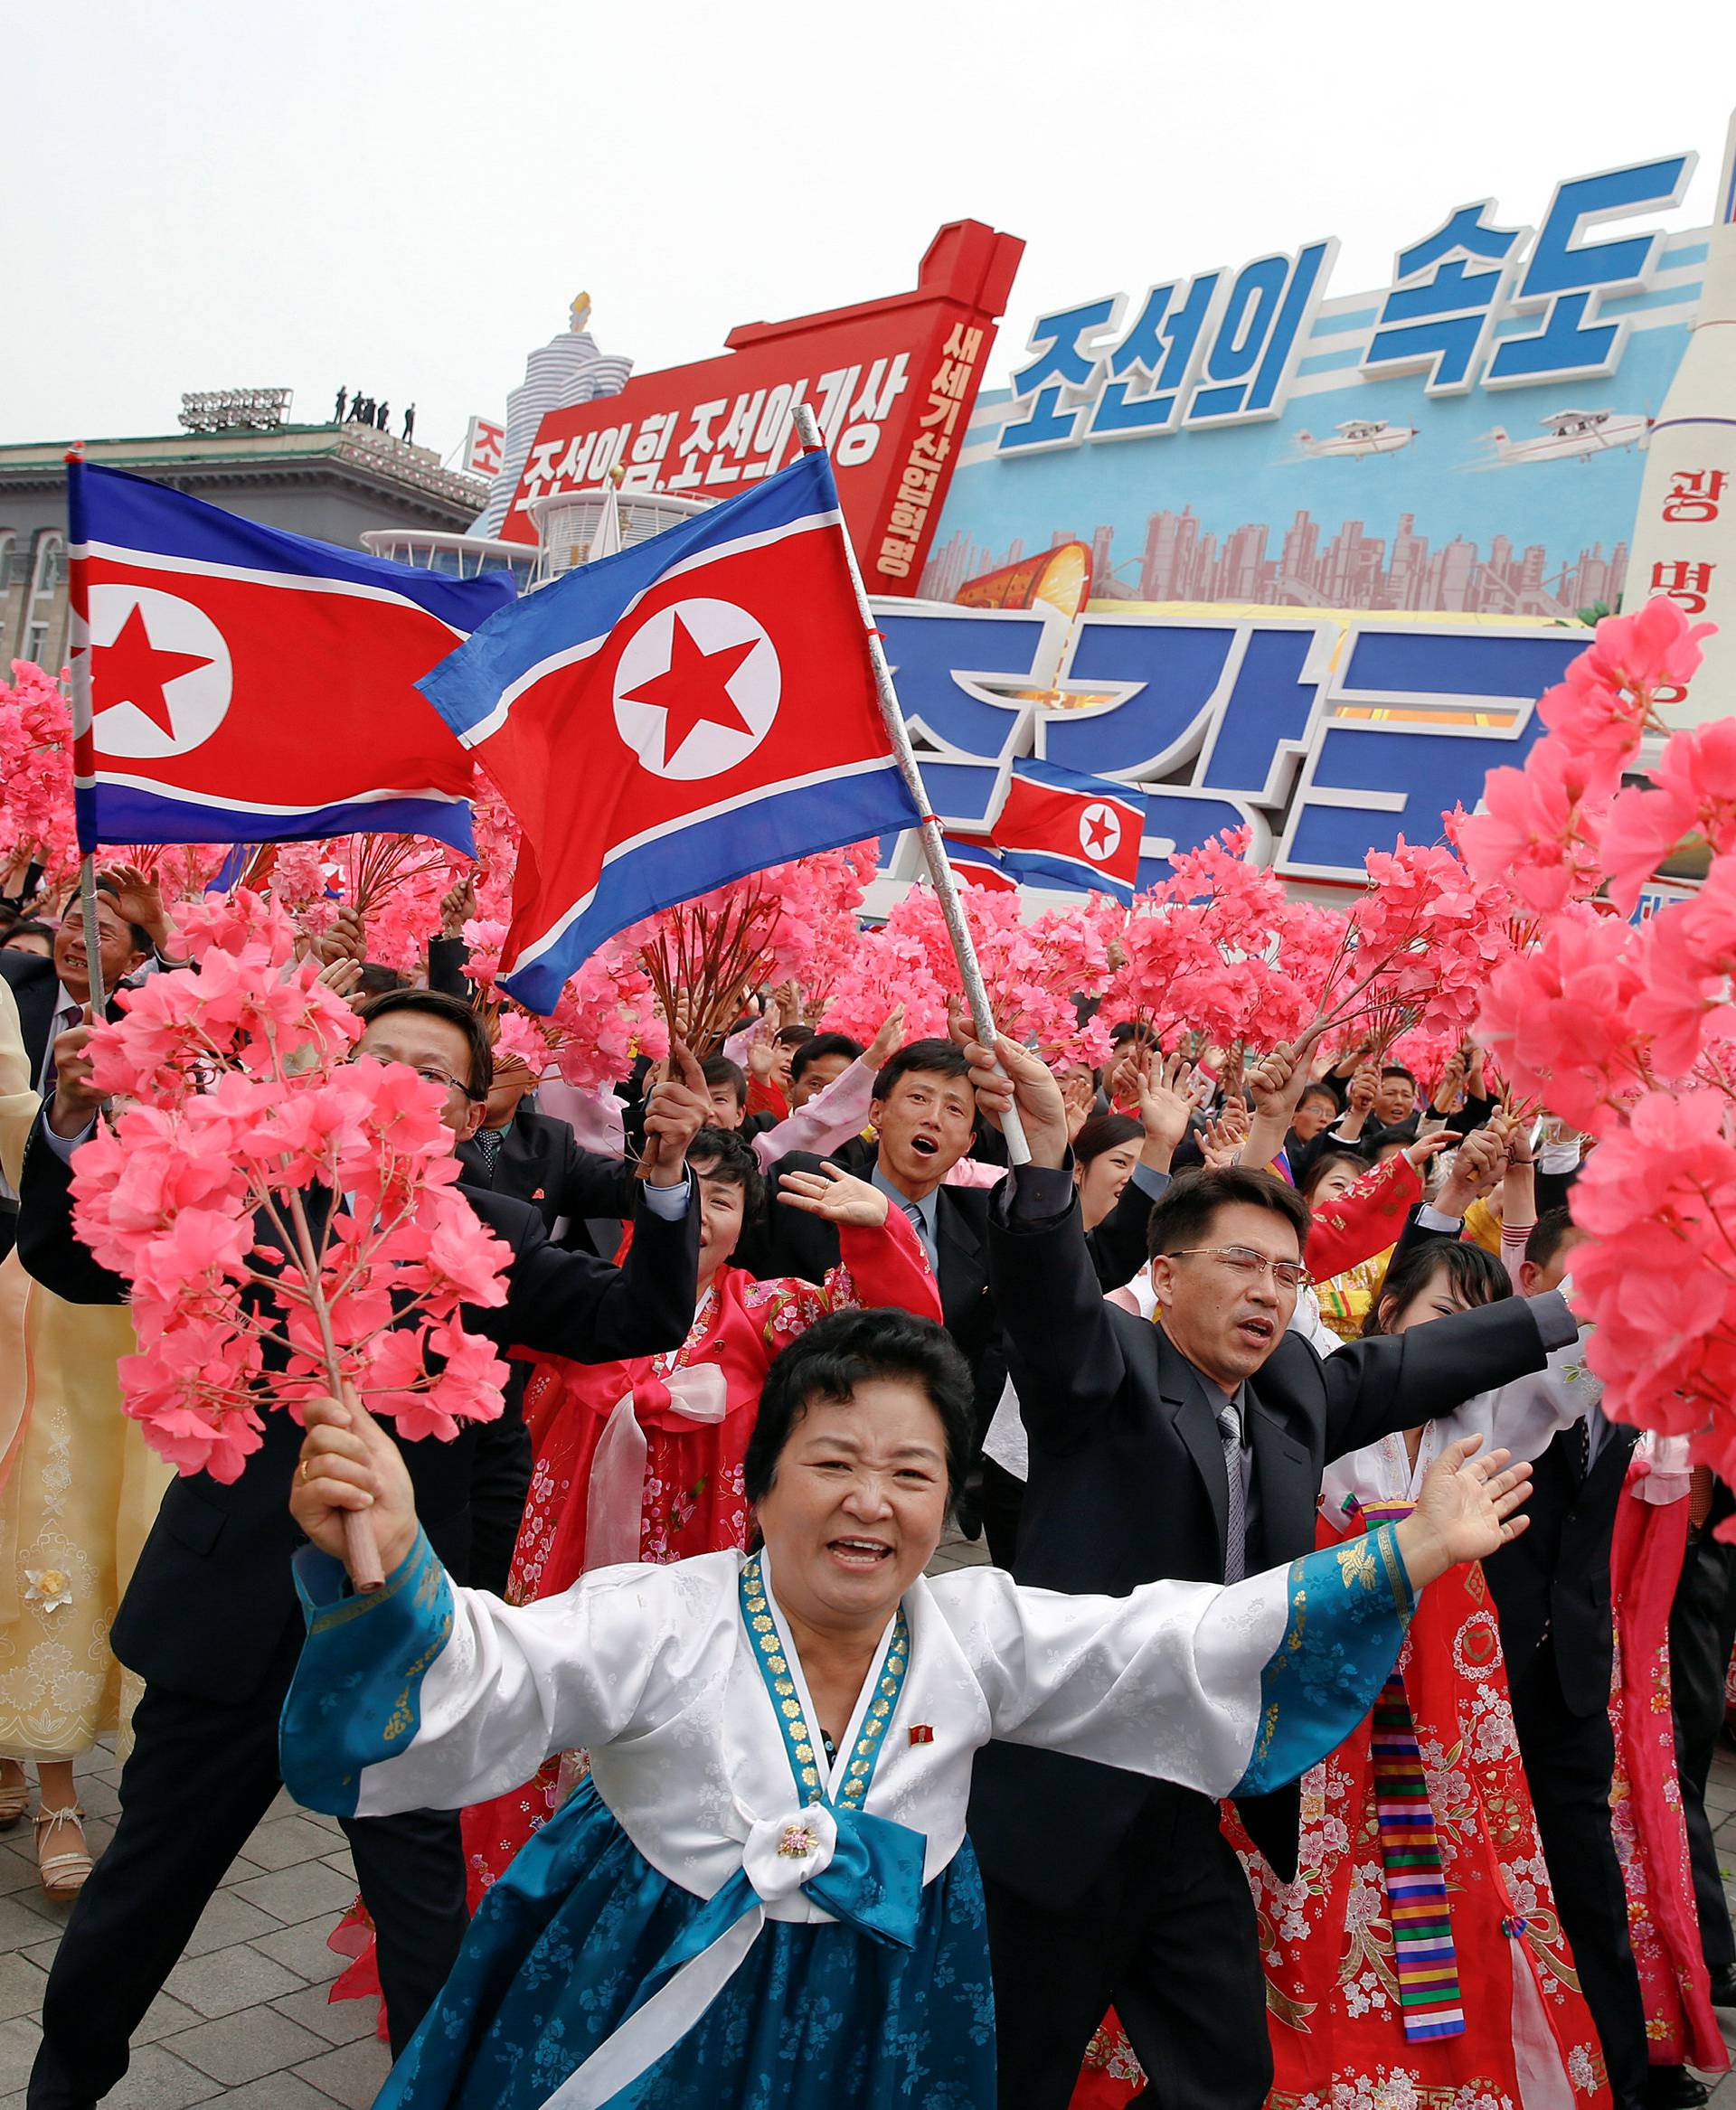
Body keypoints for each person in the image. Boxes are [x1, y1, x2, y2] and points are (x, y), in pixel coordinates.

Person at [277, 1305, 1533, 2110]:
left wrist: (1400, 1556)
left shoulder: (974, 1628)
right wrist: (395, 1569)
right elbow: (503, 1667)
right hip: (642, 1978)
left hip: (889, 2015)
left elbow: (1169, 1637)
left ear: (945, 1501)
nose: (870, 1500)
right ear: (761, 1486)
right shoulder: (657, 1614)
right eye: (832, 1462)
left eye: (909, 1472)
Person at [14, 987, 709, 2109]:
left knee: (421, 1903)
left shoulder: (492, 1232)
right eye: (374, 1054)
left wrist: (667, 1185)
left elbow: (634, 1321)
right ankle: (63, 2084)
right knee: (146, 1887)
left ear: (471, 1111)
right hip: (230, 1612)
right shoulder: (247, 1197)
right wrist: (69, 1122)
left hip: (397, 1627)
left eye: (430, 1072)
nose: (396, 1081)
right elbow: (70, 1257)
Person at [956, 1029, 1584, 2110]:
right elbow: (1050, 1310)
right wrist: (1047, 1165)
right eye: (1239, 1263)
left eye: (1287, 1273)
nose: (1267, 1292)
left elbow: (1407, 1362)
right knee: (1019, 2071)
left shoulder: (1291, 1385)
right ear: (1163, 1276)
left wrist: (1581, 1312)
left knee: (1226, 2072)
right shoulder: (1106, 1372)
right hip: (1065, 1806)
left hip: (1194, 1811)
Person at [1081, 1238, 1614, 2108]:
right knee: (1299, 1882)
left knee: (1448, 1882)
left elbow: (1580, 1367)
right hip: (1315, 1691)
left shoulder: (1493, 1420)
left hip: (1436, 1703)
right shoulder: (1315, 1391)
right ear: (1391, 1312)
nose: (1472, 1338)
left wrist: (1649, 1269)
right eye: (1449, 1316)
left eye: (1489, 1321)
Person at [1479, 1210, 1654, 2110]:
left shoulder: (1618, 1382)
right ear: (1535, 1283)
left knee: (1589, 1889)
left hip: (1576, 1677)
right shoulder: (1486, 1385)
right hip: (1482, 1675)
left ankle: (1624, 2079)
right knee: (1480, 1894)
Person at [0, 979, 170, 1898]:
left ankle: (145, 1777)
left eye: (112, 913)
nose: (85, 929)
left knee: (136, 1547)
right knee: (45, 1542)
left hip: (158, 1338)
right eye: (76, 908)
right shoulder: (27, 1010)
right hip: (49, 1321)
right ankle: (56, 1787)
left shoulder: (203, 1052)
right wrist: (62, 1105)